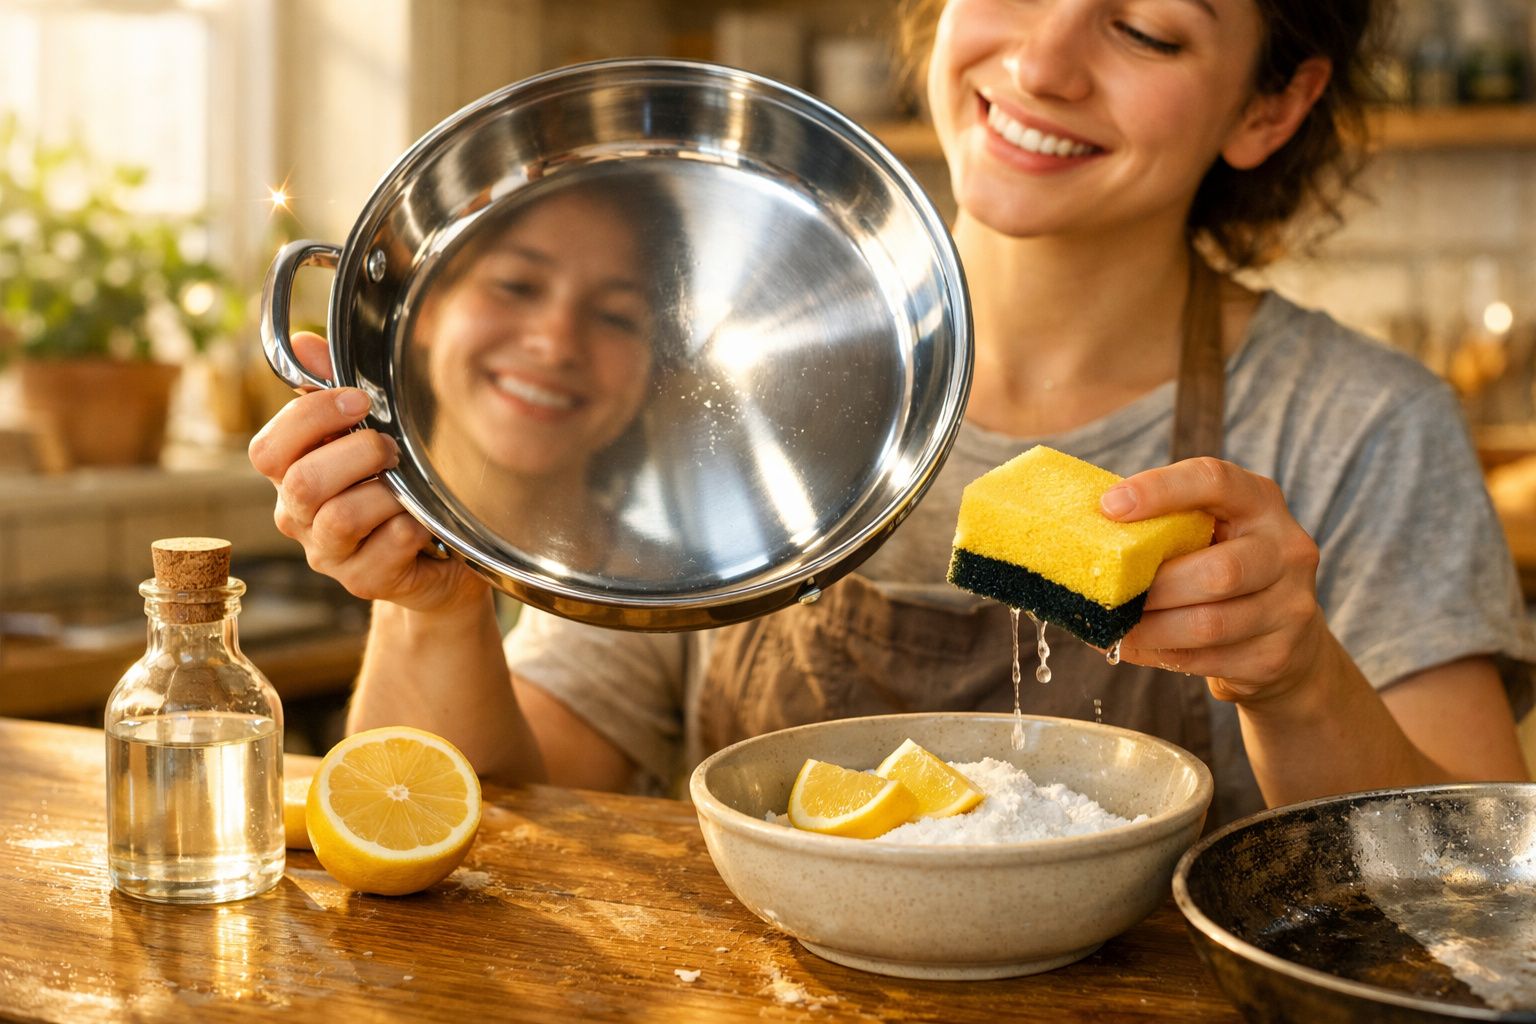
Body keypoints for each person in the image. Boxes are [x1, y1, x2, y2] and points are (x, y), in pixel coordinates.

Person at [250, 0, 1533, 827]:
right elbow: (494, 817)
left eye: (1143, 28)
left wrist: (1297, 676)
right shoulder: (716, 366)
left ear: (1272, 105)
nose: (1042, 62)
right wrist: (431, 607)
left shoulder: (1361, 426)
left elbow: (1471, 895)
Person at [396, 178, 660, 569]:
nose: (556, 347)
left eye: (615, 316)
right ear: (425, 306)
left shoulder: (707, 607)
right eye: (516, 286)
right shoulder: (334, 551)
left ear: (656, 369)